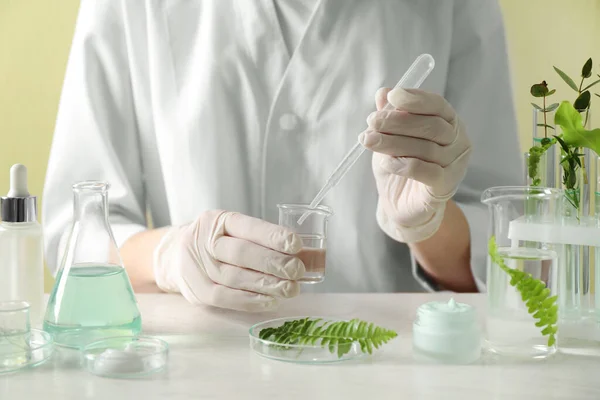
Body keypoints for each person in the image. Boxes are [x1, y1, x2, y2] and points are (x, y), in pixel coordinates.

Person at [43, 0, 522, 312]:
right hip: (204, 367)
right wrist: (170, 256)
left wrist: (428, 224)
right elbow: (74, 235)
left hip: (389, 361)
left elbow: (503, 256)